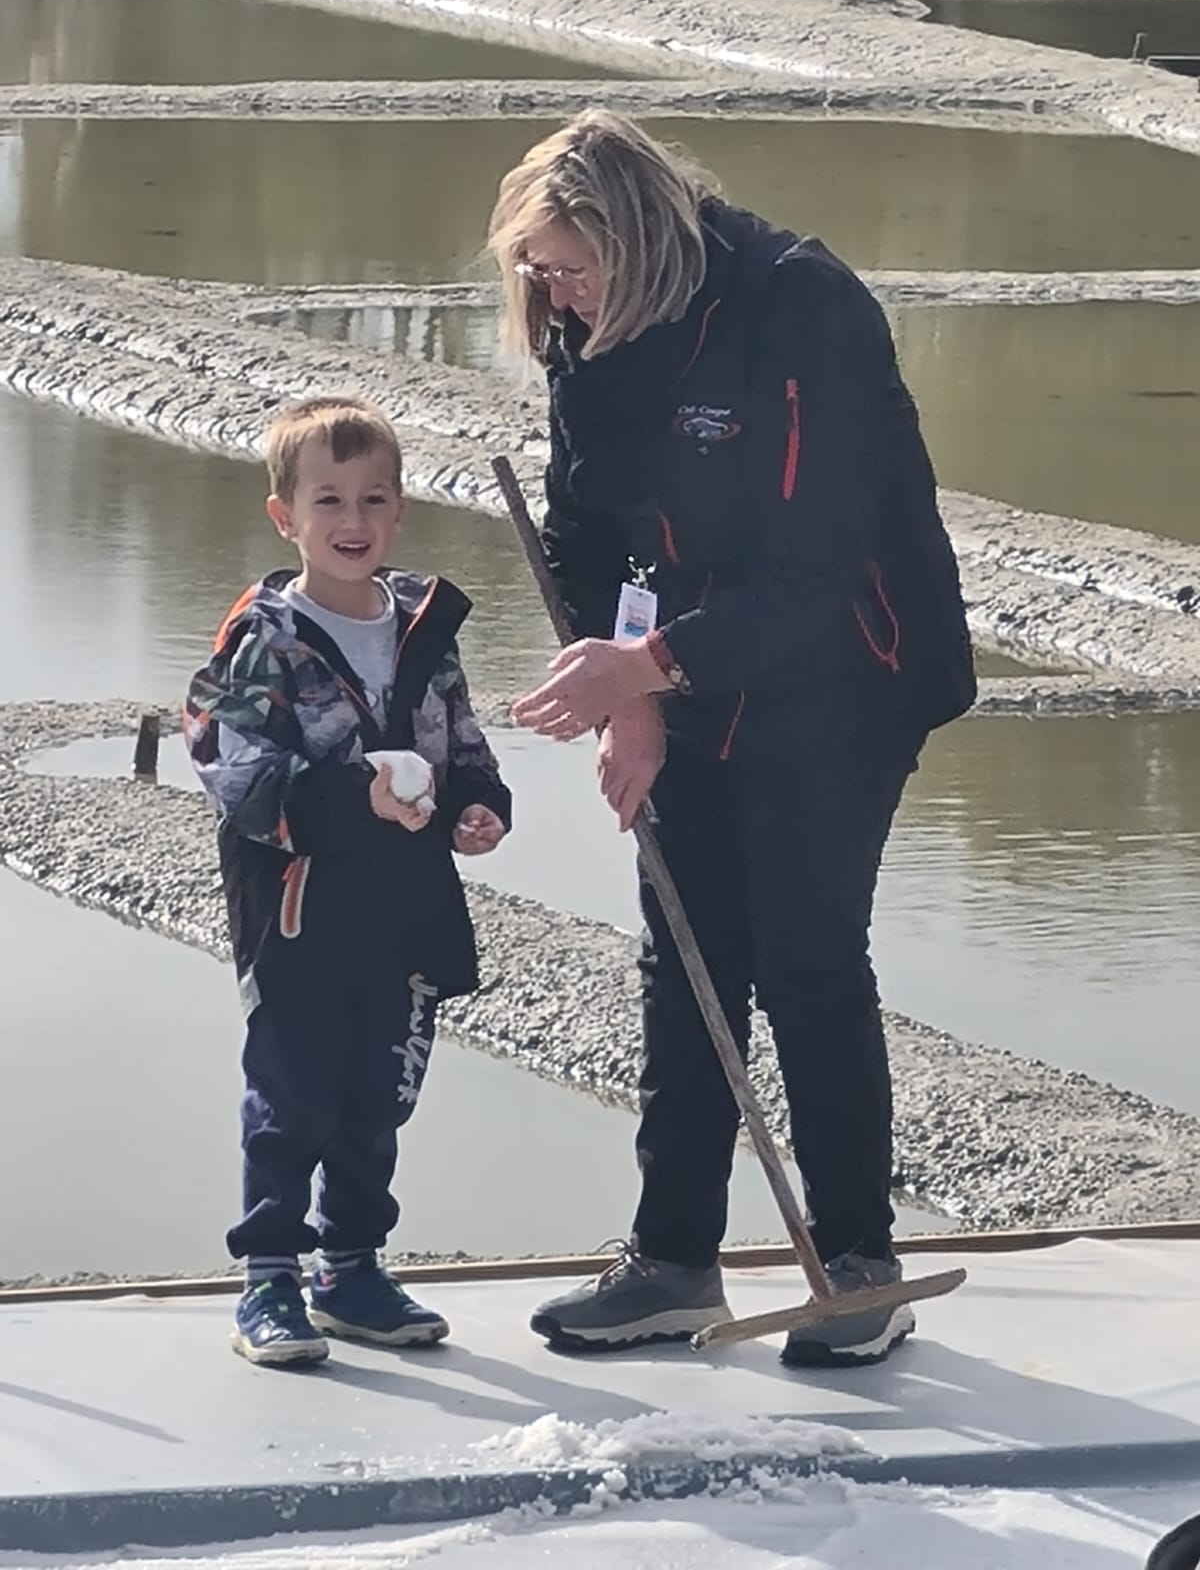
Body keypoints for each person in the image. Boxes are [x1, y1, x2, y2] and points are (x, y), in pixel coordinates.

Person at [488, 110, 975, 1368]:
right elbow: (589, 526)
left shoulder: (801, 306)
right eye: (539, 273)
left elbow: (816, 566)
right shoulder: (577, 323)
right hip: (692, 662)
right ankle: (672, 1261)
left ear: (638, 235)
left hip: (849, 666)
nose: (555, 296)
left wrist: (646, 665)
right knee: (685, 949)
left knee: (804, 952)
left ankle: (860, 1265)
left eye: (572, 267)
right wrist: (635, 701)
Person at [185, 396, 511, 1367]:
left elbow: (462, 745)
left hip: (405, 912)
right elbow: (224, 764)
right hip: (297, 915)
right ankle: (270, 1279)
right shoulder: (259, 634)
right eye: (327, 499)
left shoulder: (425, 628)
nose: (352, 520)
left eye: (373, 498)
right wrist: (347, 794)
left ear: (401, 511)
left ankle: (352, 1267)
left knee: (378, 1099)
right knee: (293, 1096)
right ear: (284, 515)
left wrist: (476, 805)